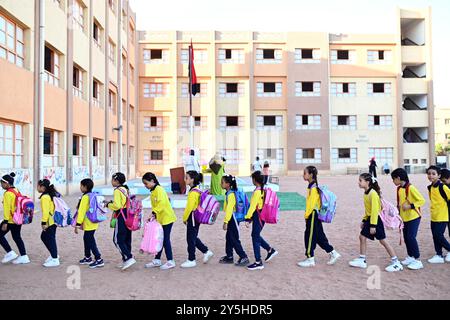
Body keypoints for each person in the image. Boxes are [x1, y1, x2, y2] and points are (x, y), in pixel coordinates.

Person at [349, 173, 403, 272]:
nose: (359, 182)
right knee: (362, 237)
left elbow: (374, 211)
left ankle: (396, 262)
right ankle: (362, 260)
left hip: (376, 220)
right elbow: (368, 210)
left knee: (383, 241)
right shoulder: (366, 193)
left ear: (367, 182)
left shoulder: (373, 193)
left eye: (360, 180)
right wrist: (364, 220)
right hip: (370, 219)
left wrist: (373, 225)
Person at [298, 166, 341, 267]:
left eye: (305, 173)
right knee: (319, 237)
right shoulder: (311, 186)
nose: (303, 175)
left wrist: (306, 216)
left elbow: (311, 205)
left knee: (309, 236)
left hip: (312, 215)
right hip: (313, 215)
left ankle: (310, 259)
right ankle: (333, 253)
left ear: (311, 175)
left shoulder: (313, 189)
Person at [390, 168, 426, 270]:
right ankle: (411, 257)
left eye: (393, 179)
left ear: (398, 178)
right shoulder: (399, 188)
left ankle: (418, 260)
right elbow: (400, 202)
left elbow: (422, 200)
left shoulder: (411, 188)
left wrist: (411, 206)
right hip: (404, 218)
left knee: (411, 237)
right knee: (406, 238)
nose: (393, 181)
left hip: (414, 217)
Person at [142, 172, 177, 270]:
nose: (145, 186)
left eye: (146, 183)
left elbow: (161, 204)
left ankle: (170, 261)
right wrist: (155, 216)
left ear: (152, 181)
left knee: (165, 240)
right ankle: (157, 260)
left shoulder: (159, 190)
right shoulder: (153, 191)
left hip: (167, 219)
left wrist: (153, 213)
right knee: (159, 239)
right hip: (160, 219)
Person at [244, 171, 278, 271]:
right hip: (262, 216)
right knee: (256, 235)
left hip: (257, 216)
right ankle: (270, 250)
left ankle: (258, 262)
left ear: (255, 180)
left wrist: (247, 217)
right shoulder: (263, 190)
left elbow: (252, 206)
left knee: (255, 236)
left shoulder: (257, 192)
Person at [180, 171, 214, 268]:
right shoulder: (197, 190)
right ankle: (206, 251)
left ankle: (191, 259)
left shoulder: (193, 192)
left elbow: (189, 207)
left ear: (192, 179)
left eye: (186, 178)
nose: (184, 179)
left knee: (190, 239)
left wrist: (184, 218)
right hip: (196, 218)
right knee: (193, 237)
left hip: (192, 218)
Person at [106, 172, 136, 271]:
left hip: (121, 216)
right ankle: (126, 259)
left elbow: (117, 205)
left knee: (117, 239)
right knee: (127, 238)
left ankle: (128, 257)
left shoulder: (117, 191)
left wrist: (108, 205)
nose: (111, 181)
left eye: (112, 180)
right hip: (128, 215)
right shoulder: (125, 189)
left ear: (116, 181)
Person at [219, 174, 249, 266]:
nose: (221, 184)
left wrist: (225, 221)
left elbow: (230, 209)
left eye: (222, 182)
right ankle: (229, 256)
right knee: (229, 237)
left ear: (228, 184)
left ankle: (243, 256)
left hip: (233, 218)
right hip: (232, 218)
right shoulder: (229, 192)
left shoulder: (231, 194)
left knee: (234, 238)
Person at [0, 172, 30, 265]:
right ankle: (24, 256)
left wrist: (5, 222)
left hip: (10, 220)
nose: (1, 184)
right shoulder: (16, 190)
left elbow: (6, 209)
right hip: (18, 218)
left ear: (7, 183)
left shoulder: (7, 194)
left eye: (2, 182)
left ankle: (10, 252)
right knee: (17, 237)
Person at [75, 178, 104, 269]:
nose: (80, 187)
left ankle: (98, 259)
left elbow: (82, 211)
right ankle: (87, 257)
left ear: (85, 187)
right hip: (94, 221)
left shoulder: (85, 197)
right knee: (87, 238)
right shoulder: (92, 195)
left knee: (90, 240)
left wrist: (78, 224)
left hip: (88, 222)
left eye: (81, 186)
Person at [425, 166, 450, 264]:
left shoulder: (442, 186)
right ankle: (438, 254)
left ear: (439, 175)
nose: (431, 176)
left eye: (433, 174)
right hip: (434, 216)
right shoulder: (430, 187)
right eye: (429, 173)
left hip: (442, 216)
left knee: (438, 235)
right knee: (435, 236)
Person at [37, 179, 60, 267]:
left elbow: (46, 212)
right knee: (46, 237)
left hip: (50, 222)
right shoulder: (48, 195)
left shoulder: (45, 197)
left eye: (38, 186)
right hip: (52, 221)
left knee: (49, 238)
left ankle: (55, 259)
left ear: (42, 187)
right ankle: (54, 255)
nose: (37, 188)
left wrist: (43, 223)